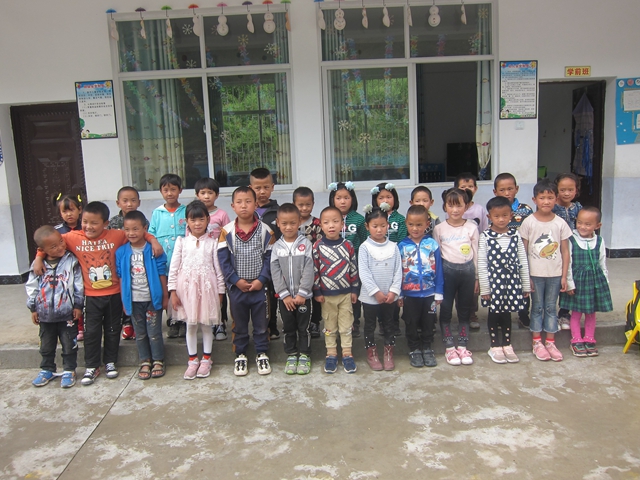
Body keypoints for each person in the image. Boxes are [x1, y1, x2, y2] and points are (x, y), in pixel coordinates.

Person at [32, 201, 163, 386]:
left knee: (113, 330)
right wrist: (39, 257)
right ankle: (92, 366)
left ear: (106, 223)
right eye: (85, 222)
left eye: (94, 223)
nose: (88, 226)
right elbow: (49, 240)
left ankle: (110, 362)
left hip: (114, 294)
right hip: (91, 296)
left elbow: (138, 232)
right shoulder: (73, 238)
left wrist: (153, 240)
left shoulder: (116, 235)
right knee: (91, 333)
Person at [218, 187, 275, 376]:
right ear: (233, 206)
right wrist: (235, 280)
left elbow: (270, 258)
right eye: (239, 202)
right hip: (237, 289)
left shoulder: (266, 231)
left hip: (260, 288)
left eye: (248, 201)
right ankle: (240, 354)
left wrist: (262, 279)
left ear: (256, 204)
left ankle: (261, 353)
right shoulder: (226, 232)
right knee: (239, 323)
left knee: (261, 323)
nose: (244, 206)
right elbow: (223, 260)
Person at [169, 201, 226, 380]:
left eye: (201, 219)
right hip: (186, 291)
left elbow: (218, 270)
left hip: (207, 290)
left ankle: (206, 359)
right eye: (193, 220)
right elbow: (174, 268)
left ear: (208, 219)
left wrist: (220, 293)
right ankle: (192, 360)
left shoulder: (213, 243)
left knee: (206, 325)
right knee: (191, 325)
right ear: (187, 221)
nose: (197, 223)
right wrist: (172, 291)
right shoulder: (181, 242)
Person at [519, 179, 572, 362]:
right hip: (535, 275)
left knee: (551, 307)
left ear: (556, 199)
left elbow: (565, 251)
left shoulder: (560, 223)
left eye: (550, 198)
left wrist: (564, 276)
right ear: (534, 200)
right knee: (537, 307)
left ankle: (550, 342)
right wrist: (526, 277)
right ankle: (536, 342)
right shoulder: (528, 222)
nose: (546, 202)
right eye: (542, 198)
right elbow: (523, 251)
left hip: (555, 274)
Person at [27, 226, 84, 388]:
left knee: (69, 343)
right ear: (42, 250)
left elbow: (78, 285)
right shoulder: (38, 265)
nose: (60, 247)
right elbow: (32, 287)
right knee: (46, 344)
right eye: (53, 246)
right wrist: (33, 308)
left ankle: (69, 370)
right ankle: (47, 369)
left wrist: (78, 305)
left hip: (67, 313)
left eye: (60, 242)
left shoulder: (71, 261)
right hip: (45, 314)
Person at [115, 211, 168, 380]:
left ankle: (158, 360)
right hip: (134, 300)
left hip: (152, 299)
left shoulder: (154, 250)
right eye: (127, 229)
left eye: (135, 229)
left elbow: (162, 273)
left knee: (154, 332)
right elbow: (121, 277)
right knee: (140, 333)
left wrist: (165, 296)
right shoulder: (121, 252)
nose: (131, 233)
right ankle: (145, 360)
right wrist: (124, 300)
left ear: (145, 228)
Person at [478, 197, 531, 364]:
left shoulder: (515, 235)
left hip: (512, 282)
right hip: (494, 283)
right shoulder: (486, 236)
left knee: (507, 312)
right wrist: (485, 288)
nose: (501, 219)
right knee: (494, 313)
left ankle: (507, 344)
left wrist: (525, 285)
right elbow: (482, 263)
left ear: (511, 216)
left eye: (505, 215)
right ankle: (494, 345)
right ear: (489, 217)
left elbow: (522, 260)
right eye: (497, 216)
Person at [432, 188, 478, 366]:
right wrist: (437, 281)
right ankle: (449, 346)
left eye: (459, 205)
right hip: (447, 272)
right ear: (445, 207)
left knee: (464, 310)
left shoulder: (471, 227)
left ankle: (463, 345)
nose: (455, 210)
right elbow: (436, 256)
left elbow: (476, 253)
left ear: (466, 206)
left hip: (468, 272)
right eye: (451, 206)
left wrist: (477, 278)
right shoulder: (439, 229)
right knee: (445, 310)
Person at [559, 207, 612, 358]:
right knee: (576, 312)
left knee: (591, 313)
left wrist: (605, 283)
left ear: (598, 225)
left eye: (588, 224)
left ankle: (589, 338)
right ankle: (576, 339)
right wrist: (569, 283)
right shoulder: (571, 239)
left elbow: (602, 263)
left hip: (594, 282)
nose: (582, 226)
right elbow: (568, 263)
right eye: (579, 222)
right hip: (578, 282)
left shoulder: (599, 241)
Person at [313, 206, 359, 374]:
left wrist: (355, 289)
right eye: (326, 222)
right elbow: (315, 270)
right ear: (321, 225)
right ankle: (331, 353)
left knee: (346, 326)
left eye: (335, 221)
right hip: (326, 296)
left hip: (345, 294)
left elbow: (353, 268)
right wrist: (317, 291)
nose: (331, 225)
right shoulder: (317, 246)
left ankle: (347, 353)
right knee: (329, 326)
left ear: (342, 224)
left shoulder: (348, 245)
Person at [270, 203, 315, 375]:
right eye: (284, 223)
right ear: (278, 223)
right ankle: (291, 354)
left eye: (292, 223)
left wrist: (302, 293)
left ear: (299, 222)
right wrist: (284, 295)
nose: (288, 227)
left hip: (303, 298)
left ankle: (304, 354)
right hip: (285, 299)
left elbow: (309, 269)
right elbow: (275, 272)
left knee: (304, 328)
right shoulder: (277, 247)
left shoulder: (306, 244)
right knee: (288, 327)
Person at [398, 205, 444, 368]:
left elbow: (439, 269)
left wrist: (439, 291)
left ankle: (427, 348)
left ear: (427, 224)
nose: (415, 228)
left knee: (428, 322)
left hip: (429, 294)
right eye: (411, 224)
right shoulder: (402, 246)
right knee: (411, 322)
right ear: (406, 223)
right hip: (410, 294)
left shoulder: (432, 244)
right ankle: (414, 349)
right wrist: (400, 293)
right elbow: (398, 271)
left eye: (419, 224)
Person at [358, 204, 402, 371]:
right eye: (375, 226)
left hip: (389, 297)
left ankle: (389, 353)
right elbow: (364, 273)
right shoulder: (364, 247)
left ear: (387, 225)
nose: (379, 230)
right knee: (370, 325)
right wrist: (376, 293)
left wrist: (393, 291)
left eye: (383, 226)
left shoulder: (393, 247)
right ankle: (372, 354)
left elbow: (398, 271)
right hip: (370, 297)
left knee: (389, 324)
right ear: (367, 226)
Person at [493, 172, 534, 329]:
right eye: (502, 190)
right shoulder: (493, 209)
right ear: (495, 192)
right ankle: (503, 317)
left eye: (510, 189)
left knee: (523, 286)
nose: (506, 193)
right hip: (501, 257)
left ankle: (523, 315)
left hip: (522, 255)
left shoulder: (526, 210)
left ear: (516, 189)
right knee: (502, 287)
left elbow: (532, 231)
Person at [149, 174, 187, 339]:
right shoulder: (157, 213)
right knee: (167, 290)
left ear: (180, 190)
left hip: (183, 261)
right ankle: (172, 321)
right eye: (166, 190)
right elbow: (150, 233)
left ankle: (183, 321)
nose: (169, 193)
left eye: (173, 189)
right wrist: (154, 242)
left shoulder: (185, 210)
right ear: (161, 191)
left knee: (182, 290)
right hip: (164, 261)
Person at [328, 181, 367, 337]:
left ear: (353, 199)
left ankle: (354, 321)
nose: (342, 201)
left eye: (346, 198)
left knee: (354, 293)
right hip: (334, 264)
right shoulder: (329, 217)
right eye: (338, 198)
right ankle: (336, 322)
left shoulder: (359, 219)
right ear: (332, 199)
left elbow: (364, 242)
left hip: (354, 264)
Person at [195, 177, 231, 341]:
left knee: (220, 290)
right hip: (202, 260)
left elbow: (228, 234)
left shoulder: (222, 214)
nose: (206, 196)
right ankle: (208, 322)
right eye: (203, 193)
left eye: (210, 192)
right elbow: (189, 236)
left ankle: (221, 322)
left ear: (216, 195)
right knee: (205, 292)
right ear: (197, 195)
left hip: (219, 259)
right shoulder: (195, 214)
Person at [108, 186, 145, 342]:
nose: (129, 204)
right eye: (125, 201)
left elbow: (147, 235)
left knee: (136, 292)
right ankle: (126, 323)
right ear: (118, 203)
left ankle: (136, 324)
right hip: (119, 261)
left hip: (137, 261)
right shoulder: (114, 222)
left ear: (139, 202)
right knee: (123, 292)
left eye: (133, 200)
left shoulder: (142, 220)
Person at [250, 167, 281, 340]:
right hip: (252, 262)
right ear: (251, 188)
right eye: (257, 188)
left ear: (272, 187)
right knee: (256, 295)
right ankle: (258, 326)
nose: (262, 192)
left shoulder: (278, 212)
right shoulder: (248, 211)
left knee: (272, 294)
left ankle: (272, 325)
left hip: (272, 262)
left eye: (266, 187)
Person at [553, 173, 583, 331]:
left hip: (573, 251)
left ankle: (564, 313)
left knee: (568, 282)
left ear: (576, 190)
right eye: (562, 189)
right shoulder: (551, 206)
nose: (566, 193)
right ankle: (550, 315)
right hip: (554, 250)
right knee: (555, 283)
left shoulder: (578, 208)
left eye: (570, 190)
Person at [53, 193, 84, 341]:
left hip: (83, 268)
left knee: (81, 297)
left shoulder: (85, 228)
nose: (69, 214)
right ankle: (71, 326)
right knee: (69, 297)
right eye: (64, 211)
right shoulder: (57, 231)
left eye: (72, 210)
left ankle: (82, 326)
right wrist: (39, 259)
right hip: (65, 272)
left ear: (80, 209)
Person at [293, 186, 323, 339]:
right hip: (295, 267)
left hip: (314, 266)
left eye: (308, 204)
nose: (304, 208)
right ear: (294, 204)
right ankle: (297, 322)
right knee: (298, 293)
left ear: (313, 204)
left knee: (314, 294)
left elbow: (320, 245)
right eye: (300, 205)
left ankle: (315, 322)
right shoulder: (291, 223)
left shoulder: (317, 223)